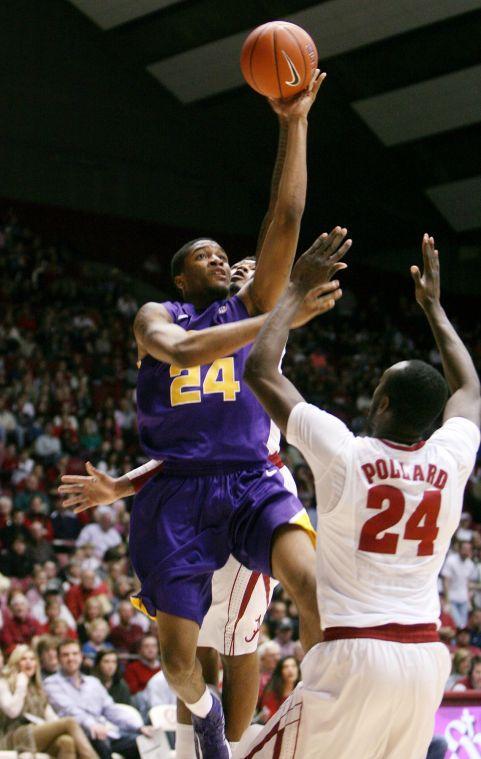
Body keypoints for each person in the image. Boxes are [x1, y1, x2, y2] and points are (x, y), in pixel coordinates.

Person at [59, 71, 335, 759]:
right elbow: (179, 352)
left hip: (249, 477)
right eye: (203, 256)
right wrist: (276, 316)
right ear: (181, 278)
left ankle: (321, 725)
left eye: (223, 252)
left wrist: (292, 123)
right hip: (177, 492)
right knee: (182, 662)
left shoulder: (251, 308)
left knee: (312, 584)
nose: (219, 256)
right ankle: (204, 718)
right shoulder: (161, 314)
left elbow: (283, 217)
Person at [239, 233, 480, 758]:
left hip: (354, 654)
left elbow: (259, 369)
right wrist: (436, 310)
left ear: (383, 401)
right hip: (423, 660)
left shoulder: (346, 454)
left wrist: (294, 289)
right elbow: (469, 390)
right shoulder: (452, 455)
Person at [44, 639, 152, 759]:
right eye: (65, 655)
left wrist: (138, 727)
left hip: (107, 732)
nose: (71, 658)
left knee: (144, 743)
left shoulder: (93, 682)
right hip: (81, 735)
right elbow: (69, 711)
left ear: (81, 656)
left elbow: (110, 709)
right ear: (59, 659)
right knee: (100, 743)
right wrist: (92, 725)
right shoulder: (51, 683)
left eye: (74, 654)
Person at [0, 644, 97, 758]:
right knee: (69, 722)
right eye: (23, 659)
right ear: (16, 662)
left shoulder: (38, 688)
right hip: (13, 735)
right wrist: (21, 685)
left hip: (35, 730)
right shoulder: (4, 683)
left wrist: (57, 726)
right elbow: (12, 712)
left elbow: (50, 717)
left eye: (32, 659)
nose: (28, 663)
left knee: (66, 742)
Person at [258, 656, 300, 723]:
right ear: (280, 671)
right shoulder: (270, 694)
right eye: (286, 667)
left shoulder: (303, 692)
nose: (290, 670)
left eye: (293, 666)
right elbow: (272, 719)